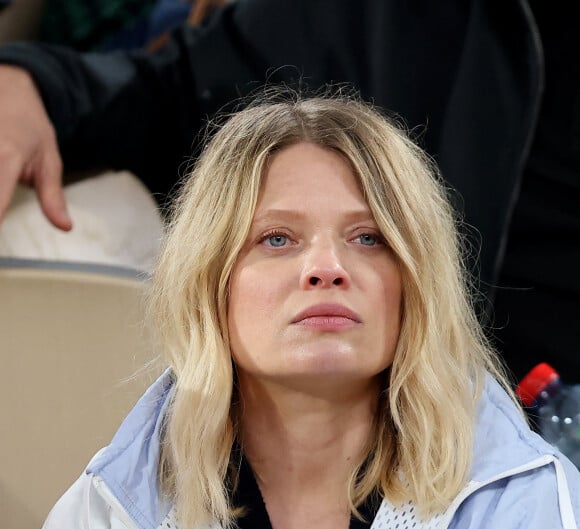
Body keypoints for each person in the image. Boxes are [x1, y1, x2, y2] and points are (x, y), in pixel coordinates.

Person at [21, 94, 580, 529]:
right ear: (211, 281)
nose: (327, 267)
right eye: (277, 238)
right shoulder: (106, 517)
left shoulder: (525, 503)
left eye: (368, 238)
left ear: (416, 281)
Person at [0, 0, 578, 385]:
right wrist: (33, 86)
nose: (323, 268)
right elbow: (186, 95)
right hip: (424, 426)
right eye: (278, 238)